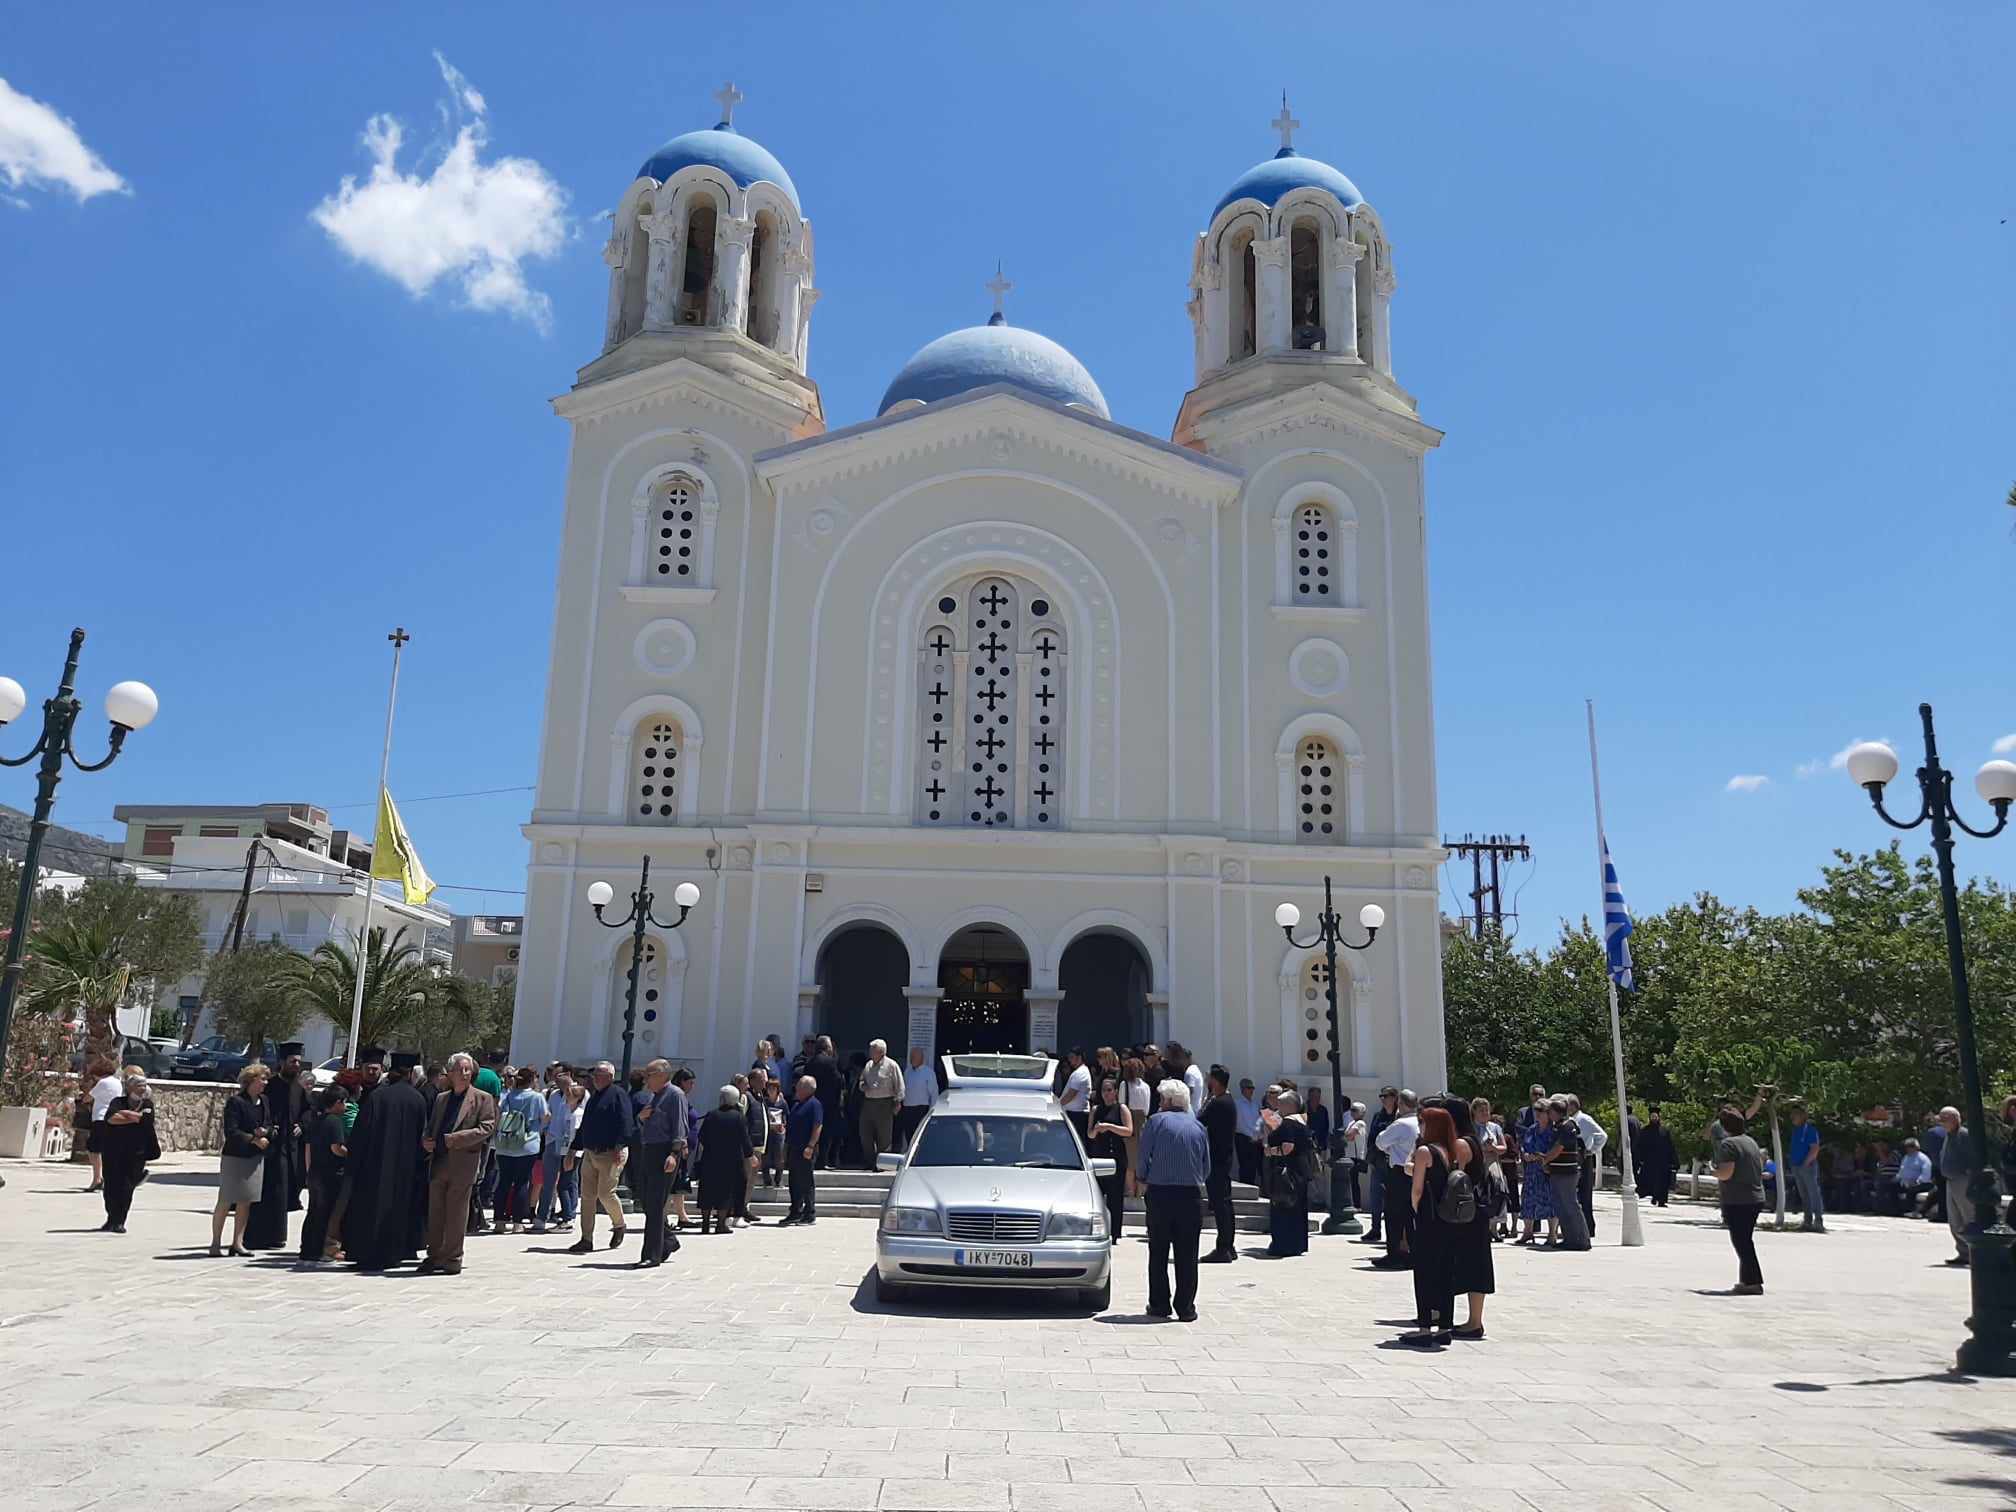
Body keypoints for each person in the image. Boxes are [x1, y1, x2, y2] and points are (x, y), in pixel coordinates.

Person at [338, 1049, 425, 1271]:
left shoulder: (378, 1097)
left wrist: (353, 1162)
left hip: (373, 1166)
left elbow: (360, 1134)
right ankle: (396, 1252)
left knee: (370, 1208)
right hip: (406, 1169)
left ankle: (366, 1253)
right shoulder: (417, 1099)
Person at [418, 1053, 497, 1276]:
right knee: (436, 1212)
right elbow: (431, 1125)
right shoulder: (442, 1098)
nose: (464, 1073)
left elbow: (487, 1128)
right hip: (439, 1162)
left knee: (456, 1213)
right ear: (450, 1073)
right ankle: (434, 1255)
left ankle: (453, 1258)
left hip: (463, 1164)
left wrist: (455, 1139)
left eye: (467, 1070)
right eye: (459, 1069)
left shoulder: (483, 1098)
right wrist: (427, 1140)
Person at [1137, 1078, 1209, 1322]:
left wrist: (1142, 1177)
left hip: (1160, 1193)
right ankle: (1186, 1307)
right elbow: (1206, 1166)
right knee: (1187, 1254)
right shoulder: (1198, 1126)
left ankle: (1159, 1304)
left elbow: (1143, 1157)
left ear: (1167, 1101)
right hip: (1190, 1195)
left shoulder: (1156, 1122)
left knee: (1158, 1251)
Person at [1400, 1106, 1461, 1346]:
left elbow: (1417, 1189)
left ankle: (1425, 1327)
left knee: (1424, 1272)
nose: (1421, 1127)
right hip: (1447, 1218)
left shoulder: (1425, 1151)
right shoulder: (1449, 1150)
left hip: (1428, 1217)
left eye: (1423, 1122)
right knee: (1445, 1272)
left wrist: (1415, 1208)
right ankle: (1445, 1326)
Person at [567, 1061, 634, 1254]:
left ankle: (619, 1224)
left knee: (606, 1193)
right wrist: (573, 1150)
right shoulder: (594, 1098)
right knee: (587, 1196)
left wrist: (619, 1146)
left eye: (599, 1074)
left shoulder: (618, 1095)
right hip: (590, 1152)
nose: (595, 1077)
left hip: (610, 1153)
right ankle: (586, 1238)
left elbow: (626, 1122)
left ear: (610, 1077)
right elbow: (585, 1125)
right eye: (594, 1074)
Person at [213, 1063, 272, 1258]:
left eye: (266, 1079)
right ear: (250, 1080)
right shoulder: (236, 1102)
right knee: (226, 1199)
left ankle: (237, 1242)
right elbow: (231, 1131)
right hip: (235, 1156)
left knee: (246, 1201)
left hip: (254, 1158)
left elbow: (268, 1123)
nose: (264, 1083)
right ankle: (215, 1243)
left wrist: (266, 1132)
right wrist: (253, 1139)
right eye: (261, 1079)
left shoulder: (264, 1101)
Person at [1447, 1099, 1495, 1336]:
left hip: (1468, 1212)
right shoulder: (1473, 1139)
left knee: (1474, 1264)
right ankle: (1473, 1320)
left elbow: (1456, 1174)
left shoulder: (1461, 1143)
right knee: (1476, 1263)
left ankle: (1475, 1321)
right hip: (1476, 1210)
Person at [634, 1058, 688, 1267]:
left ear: (662, 1075)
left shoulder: (675, 1095)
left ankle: (651, 1255)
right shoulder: (653, 1097)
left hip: (665, 1151)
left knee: (656, 1204)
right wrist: (641, 1118)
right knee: (647, 1202)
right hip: (649, 1150)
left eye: (650, 1075)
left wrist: (674, 1154)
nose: (646, 1080)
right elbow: (645, 1122)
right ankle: (668, 1240)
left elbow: (680, 1126)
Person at [1711, 1108, 1766, 1293]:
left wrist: (1714, 1171)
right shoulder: (1751, 1142)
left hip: (1738, 1199)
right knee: (1745, 1239)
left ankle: (1753, 1282)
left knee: (1741, 1241)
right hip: (1755, 1197)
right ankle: (1746, 1280)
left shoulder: (1728, 1145)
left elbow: (1727, 1173)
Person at [96, 1071, 159, 1233]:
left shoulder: (147, 1105)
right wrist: (133, 1116)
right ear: (129, 1087)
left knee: (126, 1187)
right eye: (139, 1086)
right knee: (110, 1186)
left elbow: (145, 1120)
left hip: (136, 1153)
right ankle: (111, 1218)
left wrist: (125, 1115)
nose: (142, 1089)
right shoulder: (117, 1101)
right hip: (113, 1151)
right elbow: (111, 1119)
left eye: (144, 1086)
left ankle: (120, 1221)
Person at [492, 1066, 547, 1233]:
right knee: (522, 1183)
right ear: (532, 1080)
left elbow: (499, 1113)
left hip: (505, 1145)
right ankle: (517, 1222)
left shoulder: (508, 1096)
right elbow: (545, 1116)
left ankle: (499, 1221)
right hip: (527, 1144)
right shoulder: (536, 1097)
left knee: (504, 1182)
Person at [299, 1086, 348, 1262]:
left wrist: (309, 1172)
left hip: (315, 1173)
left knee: (313, 1213)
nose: (346, 1106)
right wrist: (351, 1154)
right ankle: (320, 1252)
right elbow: (336, 1148)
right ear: (337, 1103)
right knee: (325, 1215)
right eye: (344, 1102)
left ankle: (307, 1251)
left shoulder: (316, 1121)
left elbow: (308, 1149)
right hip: (330, 1175)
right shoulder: (334, 1121)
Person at [696, 1085, 754, 1234]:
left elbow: (701, 1136)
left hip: (710, 1158)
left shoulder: (711, 1115)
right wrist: (750, 1155)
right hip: (731, 1160)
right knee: (725, 1191)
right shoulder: (739, 1117)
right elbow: (745, 1139)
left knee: (707, 1190)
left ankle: (705, 1223)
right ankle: (721, 1224)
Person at [1373, 1089, 1420, 1268]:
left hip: (1399, 1173)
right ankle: (1413, 1253)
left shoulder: (1400, 1124)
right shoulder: (1419, 1122)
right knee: (1411, 1215)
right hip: (1415, 1172)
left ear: (1400, 1104)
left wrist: (1391, 1149)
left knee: (1394, 1215)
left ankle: (1395, 1254)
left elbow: (1380, 1142)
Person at [1265, 1089, 1314, 1258]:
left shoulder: (1287, 1123)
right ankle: (1297, 1244)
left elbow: (1287, 1147)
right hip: (1300, 1172)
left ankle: (1283, 1244)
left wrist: (1270, 1151)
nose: (1277, 1106)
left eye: (1280, 1103)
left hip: (1287, 1172)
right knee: (1298, 1209)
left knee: (1283, 1207)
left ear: (1288, 1105)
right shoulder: (1302, 1122)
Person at [1197, 1066, 1238, 1261]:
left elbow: (1199, 1120)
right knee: (1226, 1203)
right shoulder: (1228, 1101)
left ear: (1215, 1081)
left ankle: (1223, 1248)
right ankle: (1229, 1245)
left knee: (1220, 1204)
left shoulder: (1217, 1103)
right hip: (1225, 1158)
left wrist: (1207, 1097)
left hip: (1217, 1159)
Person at [1088, 1075, 1133, 1244]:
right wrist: (1098, 1130)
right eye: (1103, 1090)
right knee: (1098, 1195)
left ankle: (1115, 1233)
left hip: (1116, 1158)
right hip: (1099, 1155)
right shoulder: (1096, 1110)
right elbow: (1089, 1134)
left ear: (1115, 1092)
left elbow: (1129, 1130)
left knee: (1115, 1198)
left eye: (1109, 1090)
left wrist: (1109, 1127)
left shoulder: (1121, 1109)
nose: (1106, 1094)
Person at [535, 1066, 578, 1234]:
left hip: (570, 1144)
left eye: (561, 1077)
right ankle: (542, 1216)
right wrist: (544, 1129)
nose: (557, 1080)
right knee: (548, 1180)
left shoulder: (580, 1094)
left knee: (569, 1181)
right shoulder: (553, 1095)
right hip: (552, 1141)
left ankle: (570, 1215)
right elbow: (549, 1115)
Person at [1545, 1096, 1590, 1250]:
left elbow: (1559, 1148)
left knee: (1571, 1205)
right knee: (1560, 1206)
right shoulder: (1557, 1126)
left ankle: (1582, 1239)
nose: (1548, 1115)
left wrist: (1544, 1160)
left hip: (1567, 1172)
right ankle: (1569, 1238)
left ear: (1557, 1112)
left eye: (1550, 1112)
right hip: (1557, 1171)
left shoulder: (1567, 1126)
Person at [780, 1074, 824, 1226]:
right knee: (794, 1181)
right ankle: (795, 1211)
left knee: (806, 1181)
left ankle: (809, 1213)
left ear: (807, 1089)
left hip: (806, 1148)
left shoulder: (814, 1104)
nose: (796, 1088)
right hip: (794, 1148)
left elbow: (817, 1126)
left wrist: (811, 1146)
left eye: (799, 1086)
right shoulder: (797, 1104)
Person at [1936, 1106, 1977, 1266]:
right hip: (1951, 1180)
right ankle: (1963, 1252)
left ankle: (1973, 1252)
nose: (1942, 1123)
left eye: (1944, 1120)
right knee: (1955, 1220)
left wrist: (1967, 1173)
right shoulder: (1948, 1135)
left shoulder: (1964, 1135)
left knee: (1967, 1216)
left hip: (1962, 1180)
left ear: (1954, 1119)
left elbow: (1972, 1156)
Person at [1517, 1100, 1560, 1246]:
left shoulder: (1553, 1131)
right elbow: (1524, 1145)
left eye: (1541, 1111)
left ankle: (1552, 1234)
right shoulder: (1531, 1129)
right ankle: (1527, 1232)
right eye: (1536, 1111)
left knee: (1549, 1201)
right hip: (1531, 1171)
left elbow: (1555, 1149)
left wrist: (1541, 1156)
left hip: (1546, 1170)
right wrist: (1525, 1154)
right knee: (1528, 1200)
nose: (1538, 1114)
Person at [857, 1038, 905, 1168]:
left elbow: (899, 1086)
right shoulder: (868, 1065)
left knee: (884, 1137)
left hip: (885, 1103)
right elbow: (861, 1081)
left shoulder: (892, 1065)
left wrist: (897, 1103)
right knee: (865, 1133)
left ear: (881, 1051)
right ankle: (869, 1161)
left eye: (872, 1050)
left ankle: (882, 1165)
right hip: (868, 1103)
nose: (870, 1052)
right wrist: (863, 1086)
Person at [1362, 1086, 1399, 1247]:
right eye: (1381, 1096)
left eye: (1386, 1096)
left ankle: (1395, 1230)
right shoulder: (1378, 1116)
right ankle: (1375, 1228)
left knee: (1394, 1199)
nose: (1383, 1099)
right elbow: (1372, 1138)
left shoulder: (1399, 1117)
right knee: (1376, 1196)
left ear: (1394, 1098)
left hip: (1395, 1163)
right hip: (1379, 1162)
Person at [1566, 1094, 1606, 1239]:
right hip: (1575, 1158)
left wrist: (1592, 1149)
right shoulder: (1571, 1121)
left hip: (1585, 1159)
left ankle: (1589, 1227)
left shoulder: (1584, 1119)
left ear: (1573, 1106)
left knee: (1585, 1195)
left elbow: (1602, 1135)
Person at [1782, 1100, 1824, 1232]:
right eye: (1792, 1114)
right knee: (1804, 1194)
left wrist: (1806, 1163)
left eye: (1796, 1114)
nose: (1792, 1117)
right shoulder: (1795, 1131)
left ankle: (1818, 1221)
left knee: (1813, 1193)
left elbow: (1814, 1149)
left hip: (1807, 1166)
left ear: (1803, 1116)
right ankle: (1807, 1221)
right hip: (1796, 1166)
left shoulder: (1810, 1130)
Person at [83, 1055, 122, 1193]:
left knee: (93, 1149)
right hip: (112, 1117)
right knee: (106, 1150)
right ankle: (105, 1178)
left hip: (100, 1118)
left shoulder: (103, 1083)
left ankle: (97, 1178)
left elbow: (87, 1098)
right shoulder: (118, 1082)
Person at [809, 1037, 844, 1167]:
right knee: (826, 1133)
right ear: (827, 1047)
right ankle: (822, 1160)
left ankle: (812, 1158)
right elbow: (838, 1081)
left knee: (813, 1131)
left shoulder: (810, 1062)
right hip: (829, 1103)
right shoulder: (831, 1062)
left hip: (813, 1101)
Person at [1121, 1058, 1152, 1196]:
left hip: (1129, 1121)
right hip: (1143, 1123)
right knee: (1141, 1159)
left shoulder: (1124, 1085)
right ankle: (1139, 1193)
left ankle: (1129, 1191)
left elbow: (1122, 1105)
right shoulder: (1146, 1086)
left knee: (1129, 1161)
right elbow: (1147, 1109)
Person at [1635, 1106, 1677, 1208]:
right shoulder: (1645, 1130)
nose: (1654, 1118)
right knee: (1651, 1180)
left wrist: (1674, 1160)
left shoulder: (1664, 1131)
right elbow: (1640, 1146)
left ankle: (1661, 1200)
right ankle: (1654, 1196)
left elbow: (1670, 1146)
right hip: (1650, 1161)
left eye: (1656, 1117)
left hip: (1663, 1161)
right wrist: (1640, 1159)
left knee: (1662, 1181)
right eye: (1652, 1117)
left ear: (1659, 1117)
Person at [897, 1045, 937, 1149]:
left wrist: (932, 1112)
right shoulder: (907, 1072)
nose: (912, 1059)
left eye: (914, 1056)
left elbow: (933, 1093)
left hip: (921, 1109)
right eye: (911, 1056)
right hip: (907, 1109)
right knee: (908, 1135)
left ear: (921, 1058)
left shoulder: (928, 1073)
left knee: (919, 1137)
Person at [1059, 1048, 1092, 1142]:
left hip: (1077, 1115)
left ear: (1079, 1058)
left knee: (1076, 1141)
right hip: (1074, 1114)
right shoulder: (1079, 1072)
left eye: (1072, 1057)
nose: (1069, 1060)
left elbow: (1072, 1093)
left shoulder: (1081, 1072)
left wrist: (1058, 1105)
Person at [760, 1074, 788, 1187]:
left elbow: (786, 1117)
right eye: (769, 1088)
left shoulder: (782, 1102)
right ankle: (766, 1179)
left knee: (779, 1157)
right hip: (767, 1132)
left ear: (777, 1090)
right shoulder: (764, 1102)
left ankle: (778, 1179)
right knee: (765, 1156)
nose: (771, 1091)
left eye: (774, 1088)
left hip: (779, 1133)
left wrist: (783, 1125)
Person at [1344, 1101, 1370, 1213]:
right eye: (1352, 1110)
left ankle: (1357, 1204)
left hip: (1356, 1156)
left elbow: (1349, 1136)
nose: (1352, 1112)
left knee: (1353, 1181)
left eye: (1355, 1110)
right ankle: (1353, 1203)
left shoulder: (1360, 1124)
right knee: (1350, 1181)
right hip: (1349, 1154)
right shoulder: (1352, 1123)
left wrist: (1347, 1135)